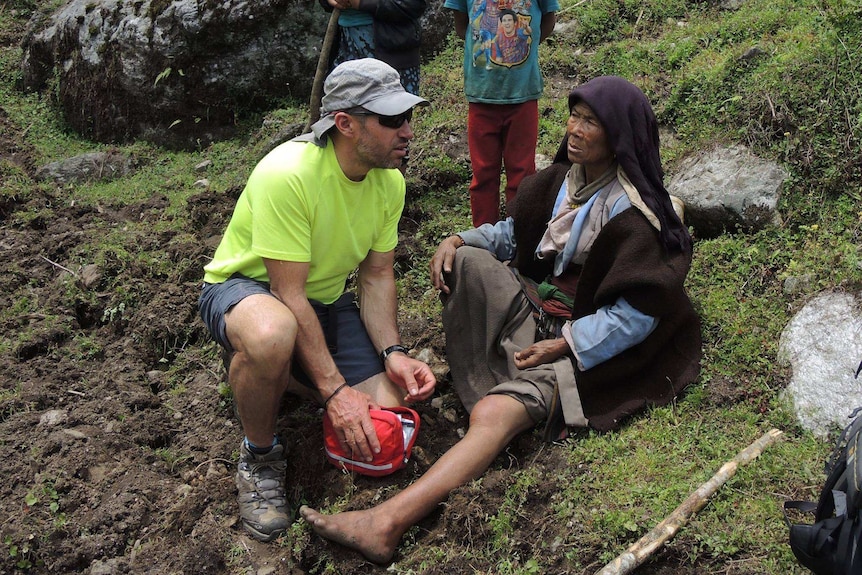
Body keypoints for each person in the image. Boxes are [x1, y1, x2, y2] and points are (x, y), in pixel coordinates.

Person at [299, 75, 702, 563]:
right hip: (537, 314)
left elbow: (634, 318)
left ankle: (387, 521)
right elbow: (516, 235)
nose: (573, 129)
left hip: (584, 350)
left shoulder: (639, 217)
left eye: (590, 121)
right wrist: (460, 240)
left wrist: (566, 344)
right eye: (573, 116)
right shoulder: (562, 182)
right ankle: (499, 381)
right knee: (466, 262)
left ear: (619, 135)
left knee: (494, 415)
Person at [198, 58, 437, 543]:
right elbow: (287, 294)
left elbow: (375, 277)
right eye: (391, 120)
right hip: (250, 291)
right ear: (345, 124)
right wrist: (335, 393)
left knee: (389, 409)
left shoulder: (388, 181)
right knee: (272, 334)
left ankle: (280, 377)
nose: (407, 131)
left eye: (408, 116)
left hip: (323, 300)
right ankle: (259, 454)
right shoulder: (288, 173)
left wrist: (394, 354)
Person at [445, 0, 558, 227]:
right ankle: (485, 239)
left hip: (522, 95)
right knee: (483, 174)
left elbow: (547, 22)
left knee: (523, 173)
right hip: (482, 96)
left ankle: (518, 238)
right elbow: (462, 27)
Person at [319, 0, 426, 96]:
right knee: (350, 109)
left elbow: (413, 4)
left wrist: (363, 3)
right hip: (346, 45)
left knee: (392, 111)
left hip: (392, 49)